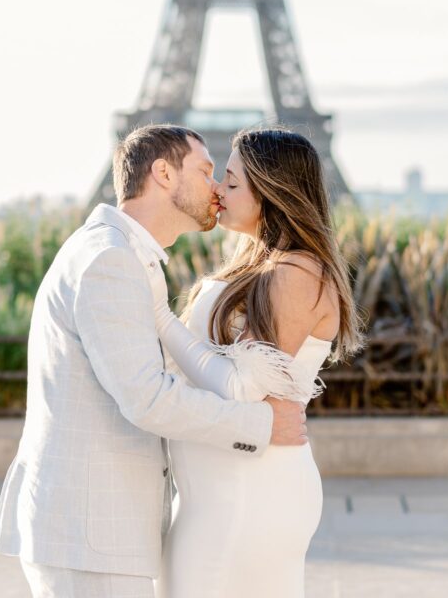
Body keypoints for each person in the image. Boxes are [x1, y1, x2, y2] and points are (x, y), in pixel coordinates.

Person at [0, 124, 308, 598]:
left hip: (95, 533)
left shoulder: (117, 253)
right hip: (91, 536)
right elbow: (145, 398)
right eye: (205, 171)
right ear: (163, 172)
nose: (216, 189)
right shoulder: (111, 260)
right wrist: (259, 424)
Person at [152, 127, 362, 598]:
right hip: (217, 491)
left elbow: (242, 387)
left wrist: (160, 318)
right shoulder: (258, 263)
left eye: (231, 181)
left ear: (270, 189)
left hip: (248, 493)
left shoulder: (295, 272)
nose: (218, 192)